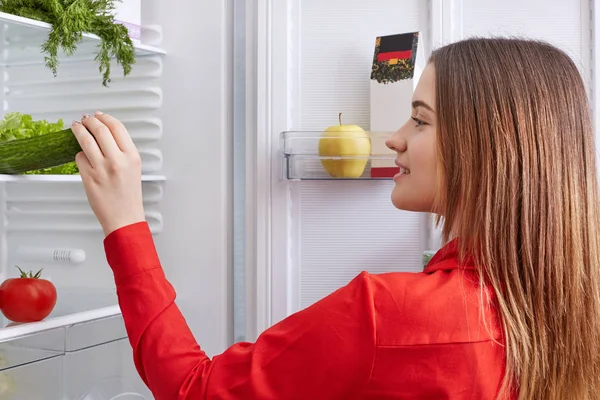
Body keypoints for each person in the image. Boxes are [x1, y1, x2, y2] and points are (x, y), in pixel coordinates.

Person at [70, 37, 600, 400]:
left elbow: (195, 390)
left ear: (490, 145)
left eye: (419, 120)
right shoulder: (570, 304)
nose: (393, 139)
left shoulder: (391, 314)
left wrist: (125, 223)